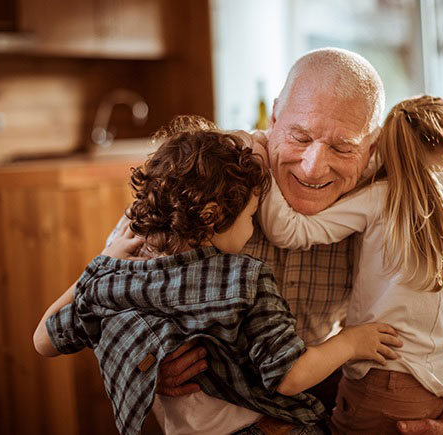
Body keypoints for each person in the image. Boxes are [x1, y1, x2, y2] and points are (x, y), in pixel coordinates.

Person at [152, 48, 443, 435]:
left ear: (372, 146)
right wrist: (148, 361)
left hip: (313, 400)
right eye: (299, 136)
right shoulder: (213, 170)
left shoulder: (386, 192)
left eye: (343, 147)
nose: (313, 168)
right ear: (275, 115)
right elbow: (116, 286)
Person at [33, 117, 403, 435]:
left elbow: (44, 339)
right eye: (250, 216)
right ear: (211, 215)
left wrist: (103, 265)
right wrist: (352, 343)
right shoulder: (245, 278)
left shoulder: (117, 276)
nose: (251, 229)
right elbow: (289, 376)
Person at [253, 95, 443, 434]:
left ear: (383, 145)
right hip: (435, 385)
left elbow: (288, 230)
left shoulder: (383, 195)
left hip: (377, 376)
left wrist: (259, 158)